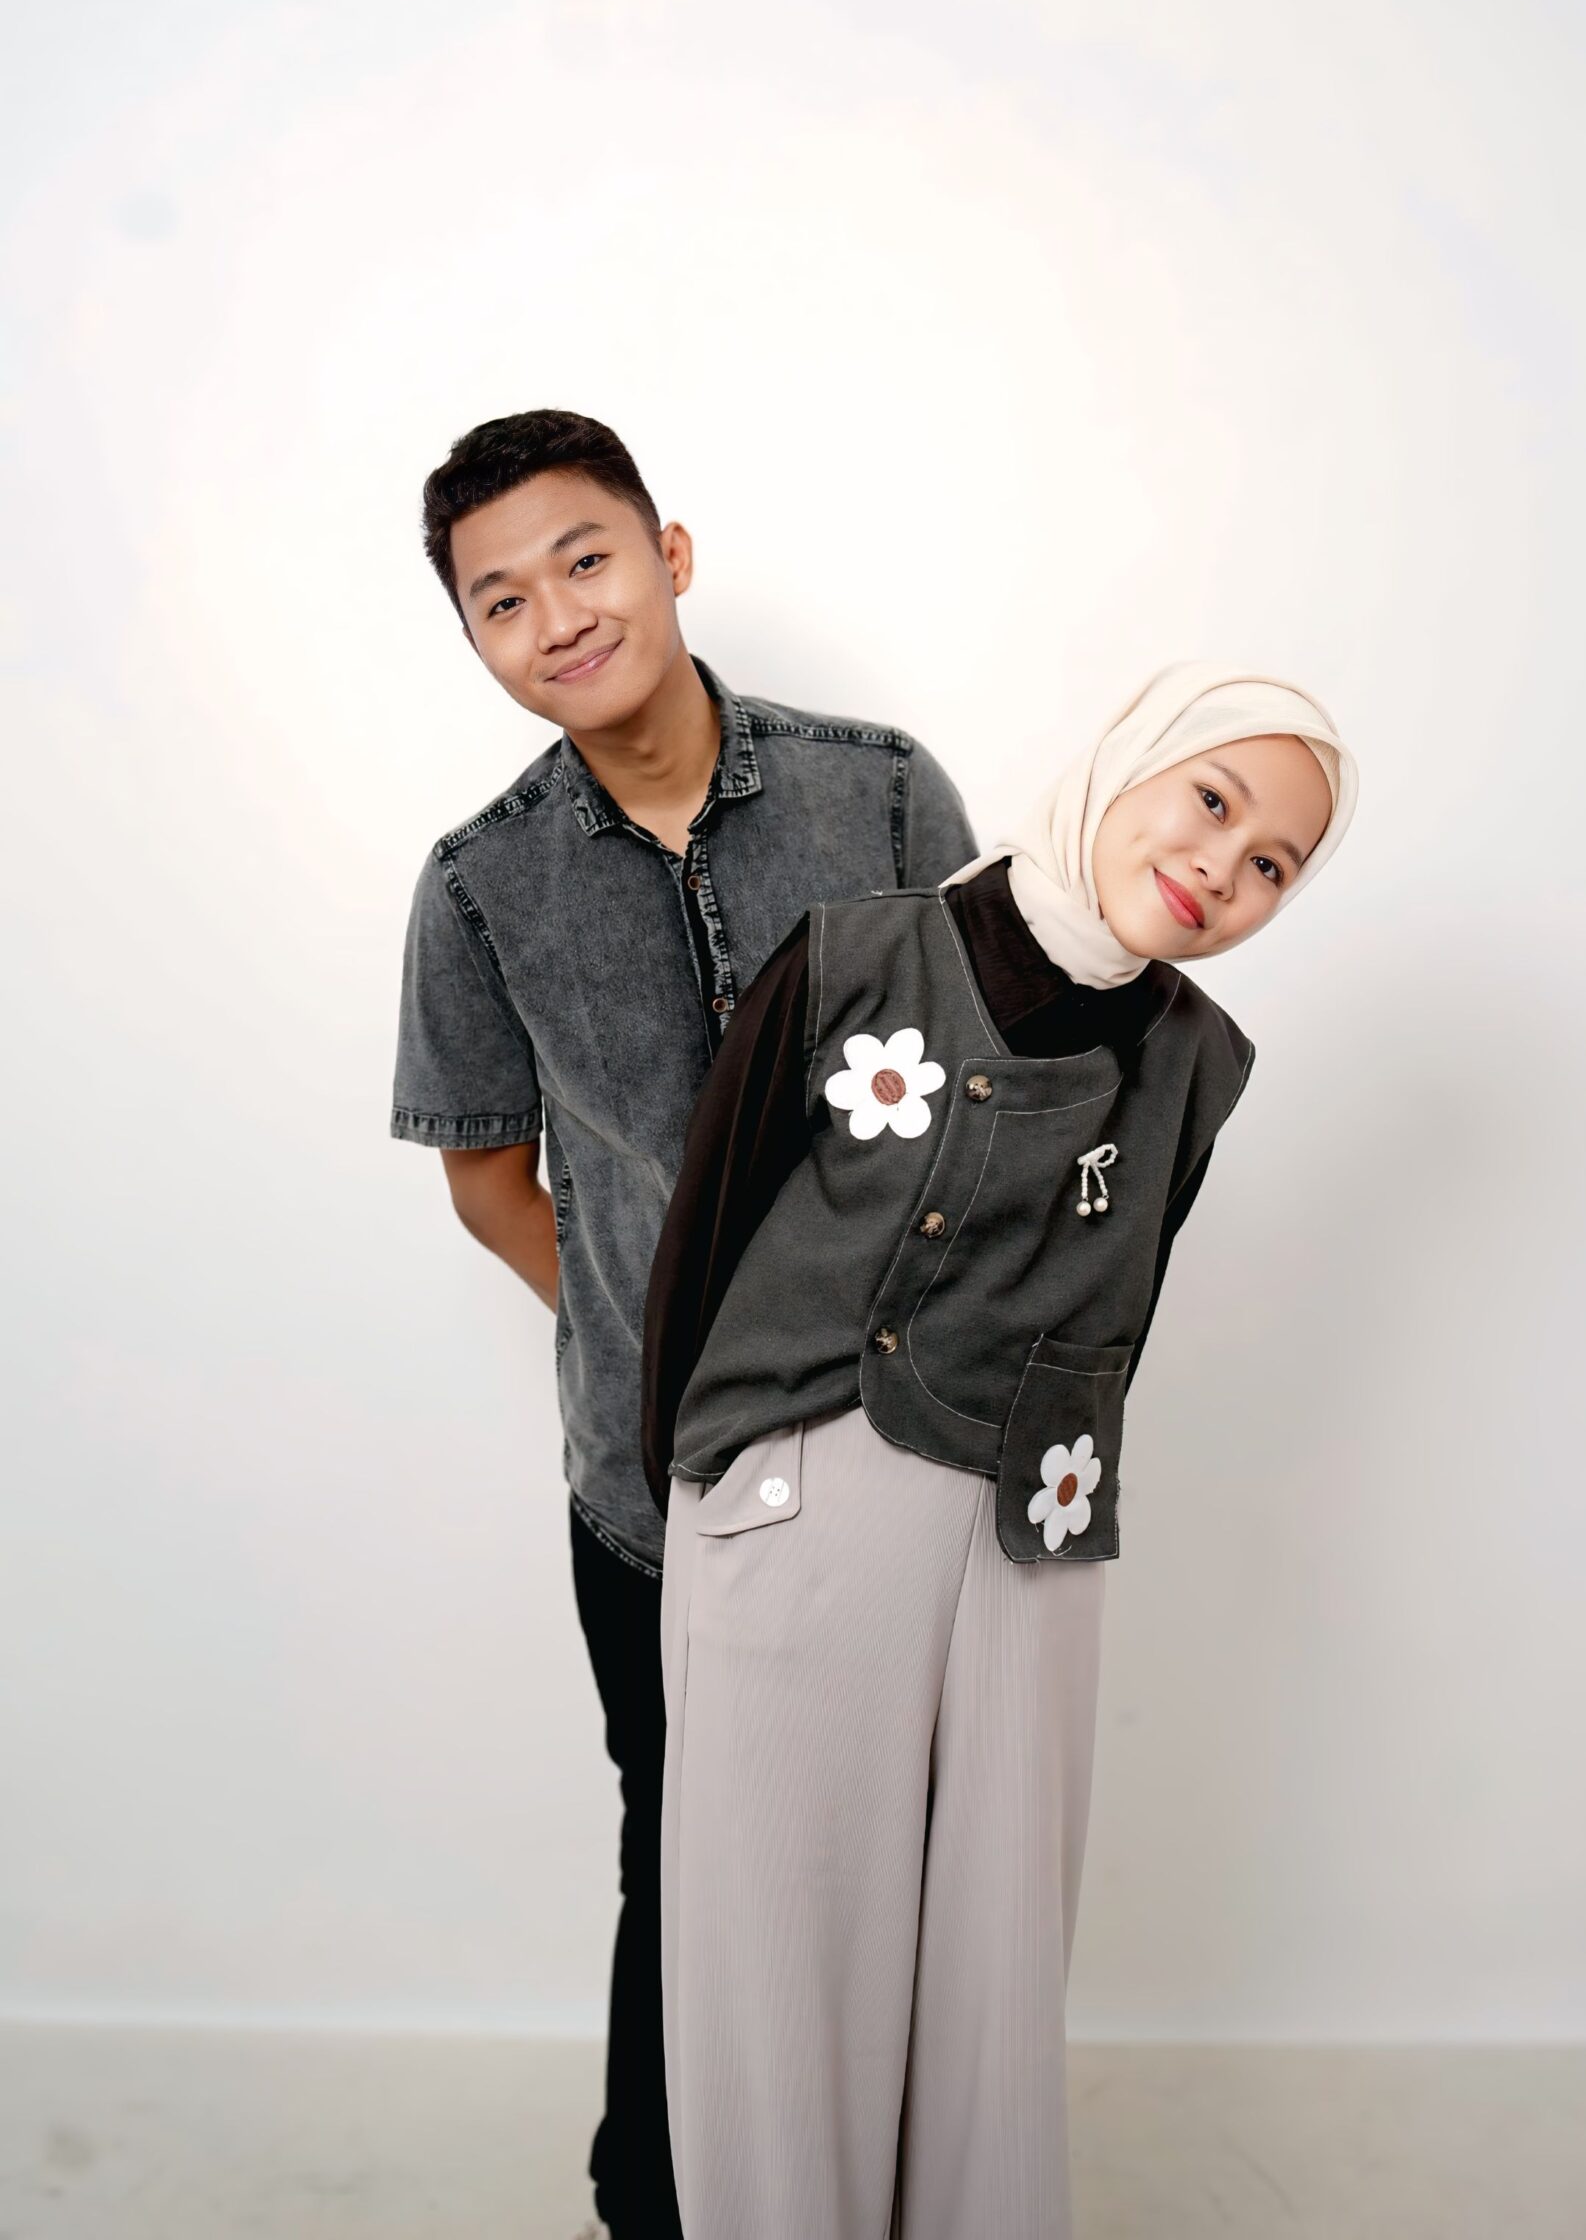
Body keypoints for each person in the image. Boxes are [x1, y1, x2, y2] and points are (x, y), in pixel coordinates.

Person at [641, 662, 1358, 2240]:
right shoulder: (856, 959)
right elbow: (702, 1239)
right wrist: (699, 1493)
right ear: (1129, 761)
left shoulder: (1199, 1061)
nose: (1221, 867)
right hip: (797, 1502)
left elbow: (1124, 1293)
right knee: (784, 1972)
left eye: (1271, 864)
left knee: (994, 1977)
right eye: (1212, 801)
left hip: (1034, 1539)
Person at [389, 409, 976, 2239]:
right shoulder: (477, 884)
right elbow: (490, 1181)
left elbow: (989, 1099)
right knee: (683, 1849)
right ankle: (651, 2204)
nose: (557, 615)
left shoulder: (883, 796)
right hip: (653, 1490)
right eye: (501, 599)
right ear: (475, 642)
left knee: (898, 1849)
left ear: (669, 555)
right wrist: (665, 1347)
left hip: (900, 1455)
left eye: (585, 559)